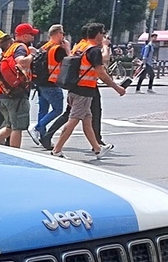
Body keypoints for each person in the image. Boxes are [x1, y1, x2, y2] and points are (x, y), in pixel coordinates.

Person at [50, 21, 126, 159]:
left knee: (87, 120)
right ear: (97, 35)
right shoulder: (94, 50)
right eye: (102, 33)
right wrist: (117, 87)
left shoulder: (80, 46)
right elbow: (101, 73)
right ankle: (57, 150)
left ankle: (98, 149)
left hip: (74, 87)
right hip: (84, 90)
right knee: (73, 120)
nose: (103, 36)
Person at [0, 23, 37, 149]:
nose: (33, 37)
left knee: (9, 126)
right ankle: (15, 154)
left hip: (3, 92)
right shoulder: (21, 48)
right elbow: (22, 62)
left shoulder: (9, 48)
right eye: (31, 34)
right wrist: (32, 55)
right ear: (23, 36)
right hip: (16, 93)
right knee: (17, 128)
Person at [31, 24, 67, 148]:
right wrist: (67, 48)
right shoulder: (58, 49)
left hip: (40, 82)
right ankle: (37, 128)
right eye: (62, 33)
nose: (63, 36)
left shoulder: (44, 47)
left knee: (43, 110)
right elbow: (69, 62)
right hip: (52, 83)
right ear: (57, 34)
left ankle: (43, 138)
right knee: (58, 110)